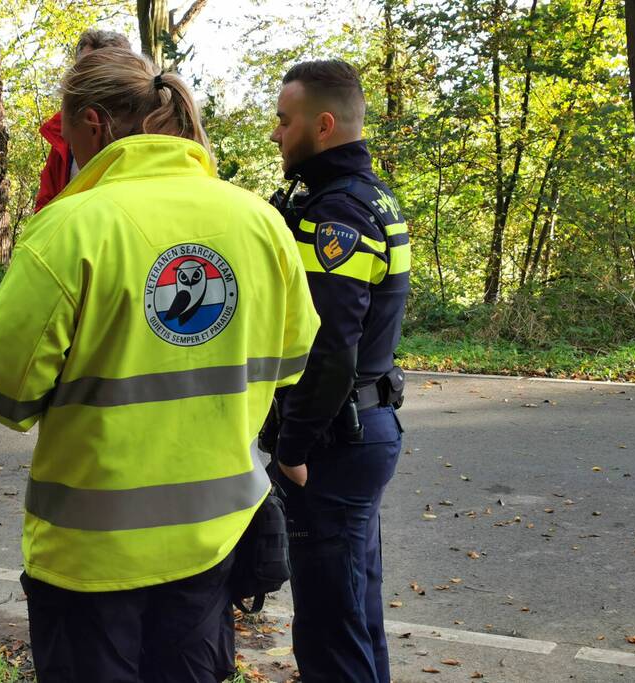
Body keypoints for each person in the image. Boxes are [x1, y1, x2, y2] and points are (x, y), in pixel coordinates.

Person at [0, 47, 319, 682]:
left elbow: (7, 394)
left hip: (88, 556)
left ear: (95, 124)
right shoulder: (260, 222)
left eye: (65, 127)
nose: (66, 143)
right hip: (211, 544)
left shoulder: (70, 229)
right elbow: (292, 359)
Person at [266, 59, 410, 683]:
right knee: (354, 617)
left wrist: (293, 445)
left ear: (322, 125)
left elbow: (329, 348)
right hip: (359, 428)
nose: (275, 134)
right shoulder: (367, 195)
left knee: (330, 633)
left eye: (283, 120)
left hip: (333, 440)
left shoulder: (339, 215)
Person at [33, 29, 131, 213]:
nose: (89, 82)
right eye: (83, 71)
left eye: (99, 71)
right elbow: (45, 207)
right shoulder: (62, 137)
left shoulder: (150, 131)